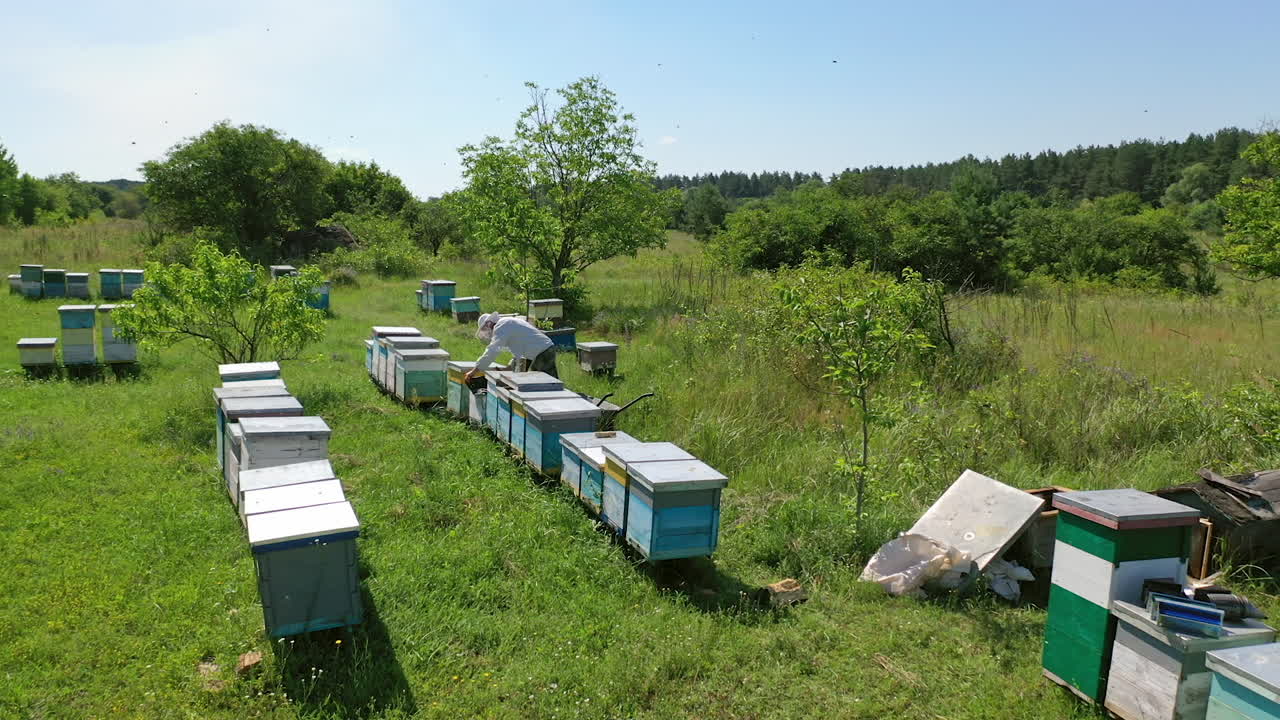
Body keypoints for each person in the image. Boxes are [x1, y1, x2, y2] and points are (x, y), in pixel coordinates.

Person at [463, 311, 558, 382]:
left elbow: (492, 351)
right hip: (540, 351)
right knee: (539, 383)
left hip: (541, 352)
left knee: (549, 384)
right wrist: (505, 369)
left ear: (489, 323)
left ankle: (562, 406)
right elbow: (518, 352)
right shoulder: (507, 323)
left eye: (484, 329)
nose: (486, 333)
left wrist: (474, 371)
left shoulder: (501, 326)